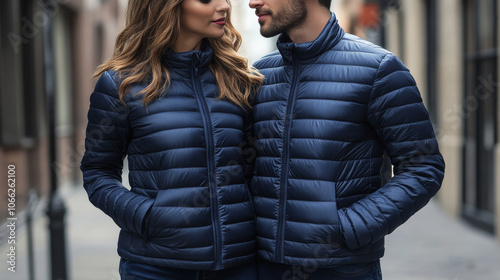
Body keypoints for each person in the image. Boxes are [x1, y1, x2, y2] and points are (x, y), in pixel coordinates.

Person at [247, 0, 445, 279]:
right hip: (264, 265)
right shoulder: (260, 75)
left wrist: (350, 228)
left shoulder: (378, 69)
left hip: (341, 268)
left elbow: (423, 167)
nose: (253, 1)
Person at [80, 0, 263, 279]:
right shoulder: (122, 84)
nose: (224, 6)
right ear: (167, 6)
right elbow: (97, 173)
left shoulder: (237, 80)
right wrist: (147, 217)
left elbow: (251, 168)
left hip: (236, 264)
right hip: (155, 265)